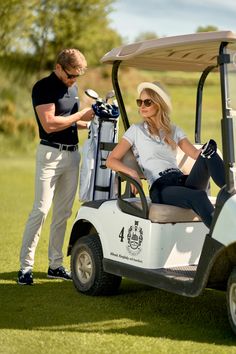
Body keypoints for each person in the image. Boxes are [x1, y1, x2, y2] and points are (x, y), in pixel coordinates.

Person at [17, 48, 95, 285]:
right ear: (59, 67)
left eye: (77, 77)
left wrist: (93, 122)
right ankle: (25, 267)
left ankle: (55, 265)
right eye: (71, 75)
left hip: (72, 156)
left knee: (63, 213)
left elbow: (70, 124)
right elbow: (50, 124)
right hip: (50, 155)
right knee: (40, 210)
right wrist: (82, 113)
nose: (73, 81)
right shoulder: (43, 87)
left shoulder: (72, 87)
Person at [106, 81, 225, 228]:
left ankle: (230, 190)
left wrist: (207, 150)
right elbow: (111, 160)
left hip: (182, 181)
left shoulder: (173, 130)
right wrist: (131, 172)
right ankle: (223, 237)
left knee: (208, 152)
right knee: (199, 196)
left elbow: (195, 153)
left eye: (147, 102)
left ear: (158, 104)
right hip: (161, 188)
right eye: (140, 102)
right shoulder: (135, 130)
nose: (142, 106)